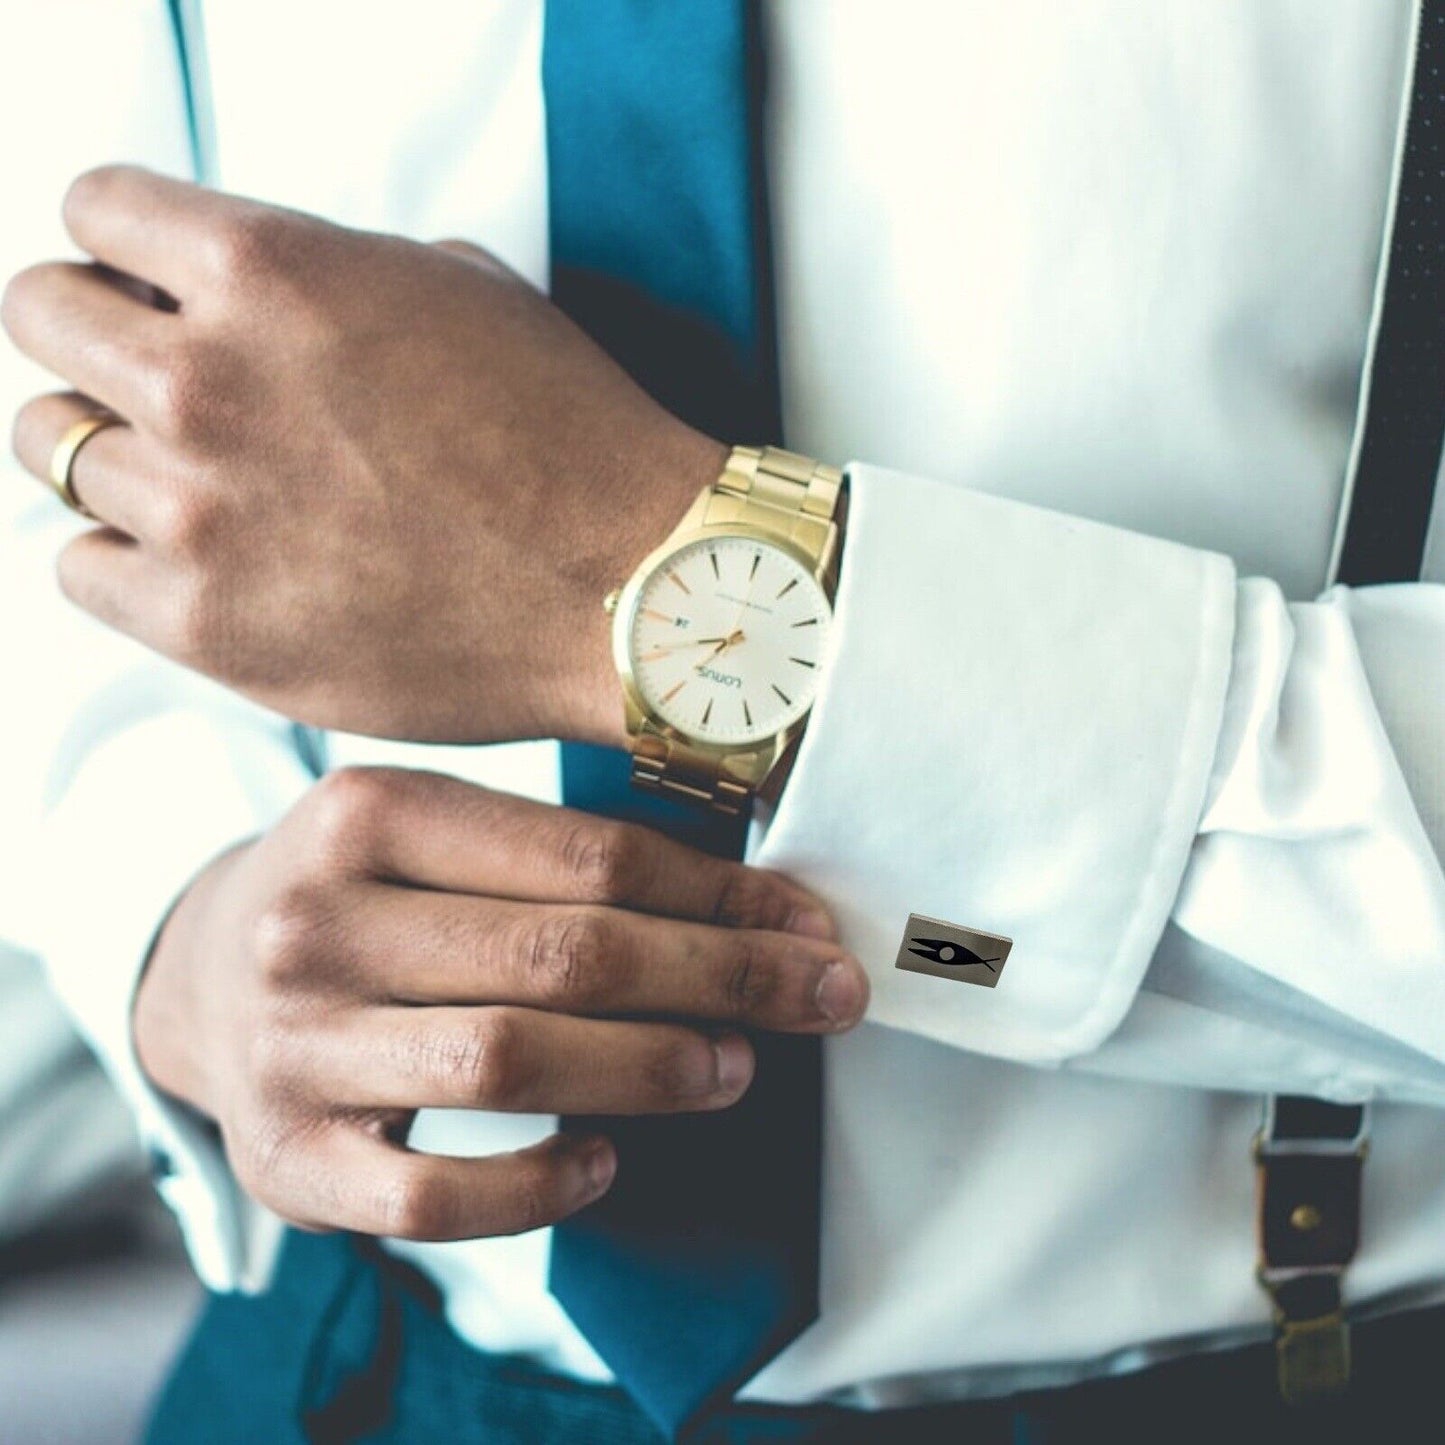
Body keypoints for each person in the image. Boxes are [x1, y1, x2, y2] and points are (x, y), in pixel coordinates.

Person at [2, 2, 1444, 1442]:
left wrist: (655, 583)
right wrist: (170, 921)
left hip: (1283, 1385)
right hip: (345, 1361)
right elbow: (63, 449)